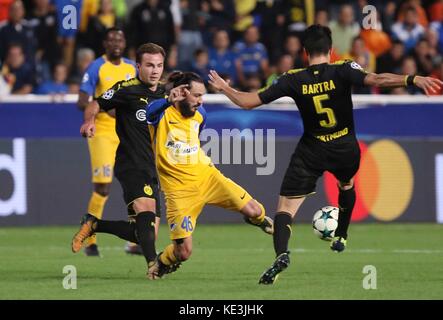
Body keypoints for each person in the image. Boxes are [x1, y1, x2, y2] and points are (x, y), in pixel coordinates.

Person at [208, 24, 443, 285]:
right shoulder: (344, 68)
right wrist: (412, 79)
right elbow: (377, 80)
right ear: (330, 50)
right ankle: (341, 234)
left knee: (285, 208)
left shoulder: (292, 78)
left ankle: (282, 254)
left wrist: (224, 88)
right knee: (347, 183)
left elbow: (248, 102)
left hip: (312, 149)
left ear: (305, 51)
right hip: (345, 146)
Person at [144, 71, 274, 279]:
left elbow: (196, 131)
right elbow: (149, 113)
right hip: (179, 191)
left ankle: (258, 221)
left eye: (202, 95)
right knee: (184, 252)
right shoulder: (161, 112)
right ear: (182, 92)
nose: (200, 101)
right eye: (196, 95)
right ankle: (163, 261)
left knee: (255, 210)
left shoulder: (200, 114)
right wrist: (168, 100)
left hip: (208, 177)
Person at [72, 43, 167, 279]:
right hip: (131, 163)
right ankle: (153, 266)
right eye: (149, 65)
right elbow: (95, 103)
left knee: (144, 233)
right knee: (146, 213)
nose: (155, 70)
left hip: (155, 166)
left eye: (159, 65)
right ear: (138, 66)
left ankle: (95, 224)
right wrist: (89, 121)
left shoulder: (166, 93)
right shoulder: (126, 89)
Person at [77, 27, 138, 256]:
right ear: (105, 43)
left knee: (135, 184)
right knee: (103, 187)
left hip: (128, 133)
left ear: (124, 43)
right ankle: (89, 239)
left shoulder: (133, 67)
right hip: (102, 132)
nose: (116, 43)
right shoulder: (96, 67)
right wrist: (104, 106)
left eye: (120, 39)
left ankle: (135, 241)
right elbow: (81, 100)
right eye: (112, 39)